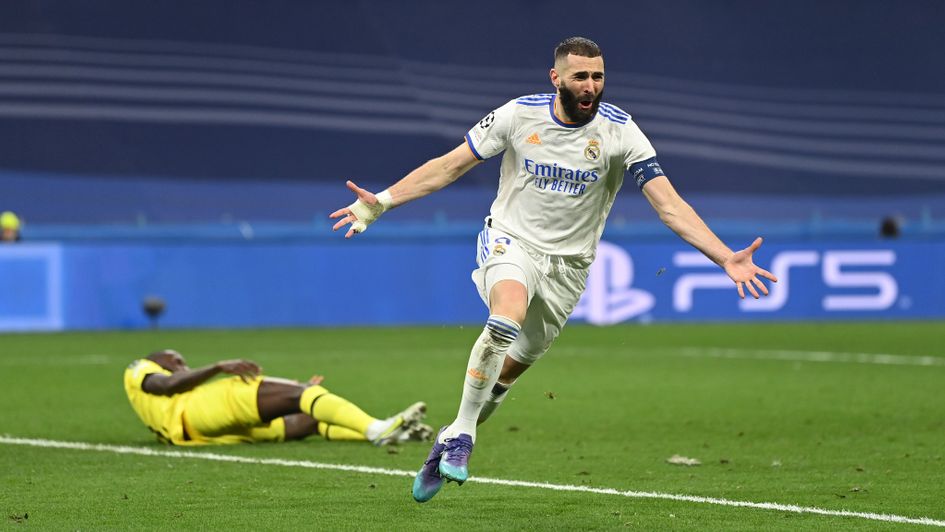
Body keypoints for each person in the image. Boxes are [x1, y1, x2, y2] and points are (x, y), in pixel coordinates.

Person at [329, 37, 778, 502]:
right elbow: (449, 166)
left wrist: (724, 256)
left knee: (505, 376)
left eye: (598, 76)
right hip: (511, 242)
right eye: (580, 76)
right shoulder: (518, 115)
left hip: (570, 268)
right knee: (505, 319)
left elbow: (669, 205)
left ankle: (451, 435)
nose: (590, 85)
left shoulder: (621, 131)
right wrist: (382, 202)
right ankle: (462, 434)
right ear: (556, 77)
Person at [124, 349, 432, 446]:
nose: (183, 366)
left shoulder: (160, 407)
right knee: (303, 395)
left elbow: (174, 384)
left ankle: (397, 434)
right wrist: (218, 367)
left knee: (310, 419)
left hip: (202, 432)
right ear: (158, 359)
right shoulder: (140, 369)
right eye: (176, 360)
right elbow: (169, 385)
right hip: (196, 411)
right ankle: (377, 429)